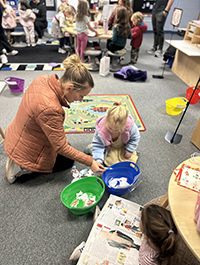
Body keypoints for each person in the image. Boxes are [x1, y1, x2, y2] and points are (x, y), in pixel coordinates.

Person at [4, 54, 106, 184]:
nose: (81, 100)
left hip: (16, 133)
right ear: (70, 88)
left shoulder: (43, 79)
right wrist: (90, 161)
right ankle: (23, 167)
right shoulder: (51, 109)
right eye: (81, 95)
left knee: (66, 150)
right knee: (67, 161)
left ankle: (22, 158)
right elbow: (61, 147)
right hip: (26, 148)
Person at [86, 102, 140, 167]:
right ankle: (90, 148)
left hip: (123, 147)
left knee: (129, 164)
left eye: (117, 130)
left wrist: (129, 150)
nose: (113, 131)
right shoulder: (101, 129)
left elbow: (135, 139)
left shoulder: (131, 127)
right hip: (109, 148)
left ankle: (132, 152)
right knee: (109, 162)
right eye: (110, 128)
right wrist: (98, 160)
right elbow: (98, 145)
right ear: (106, 121)